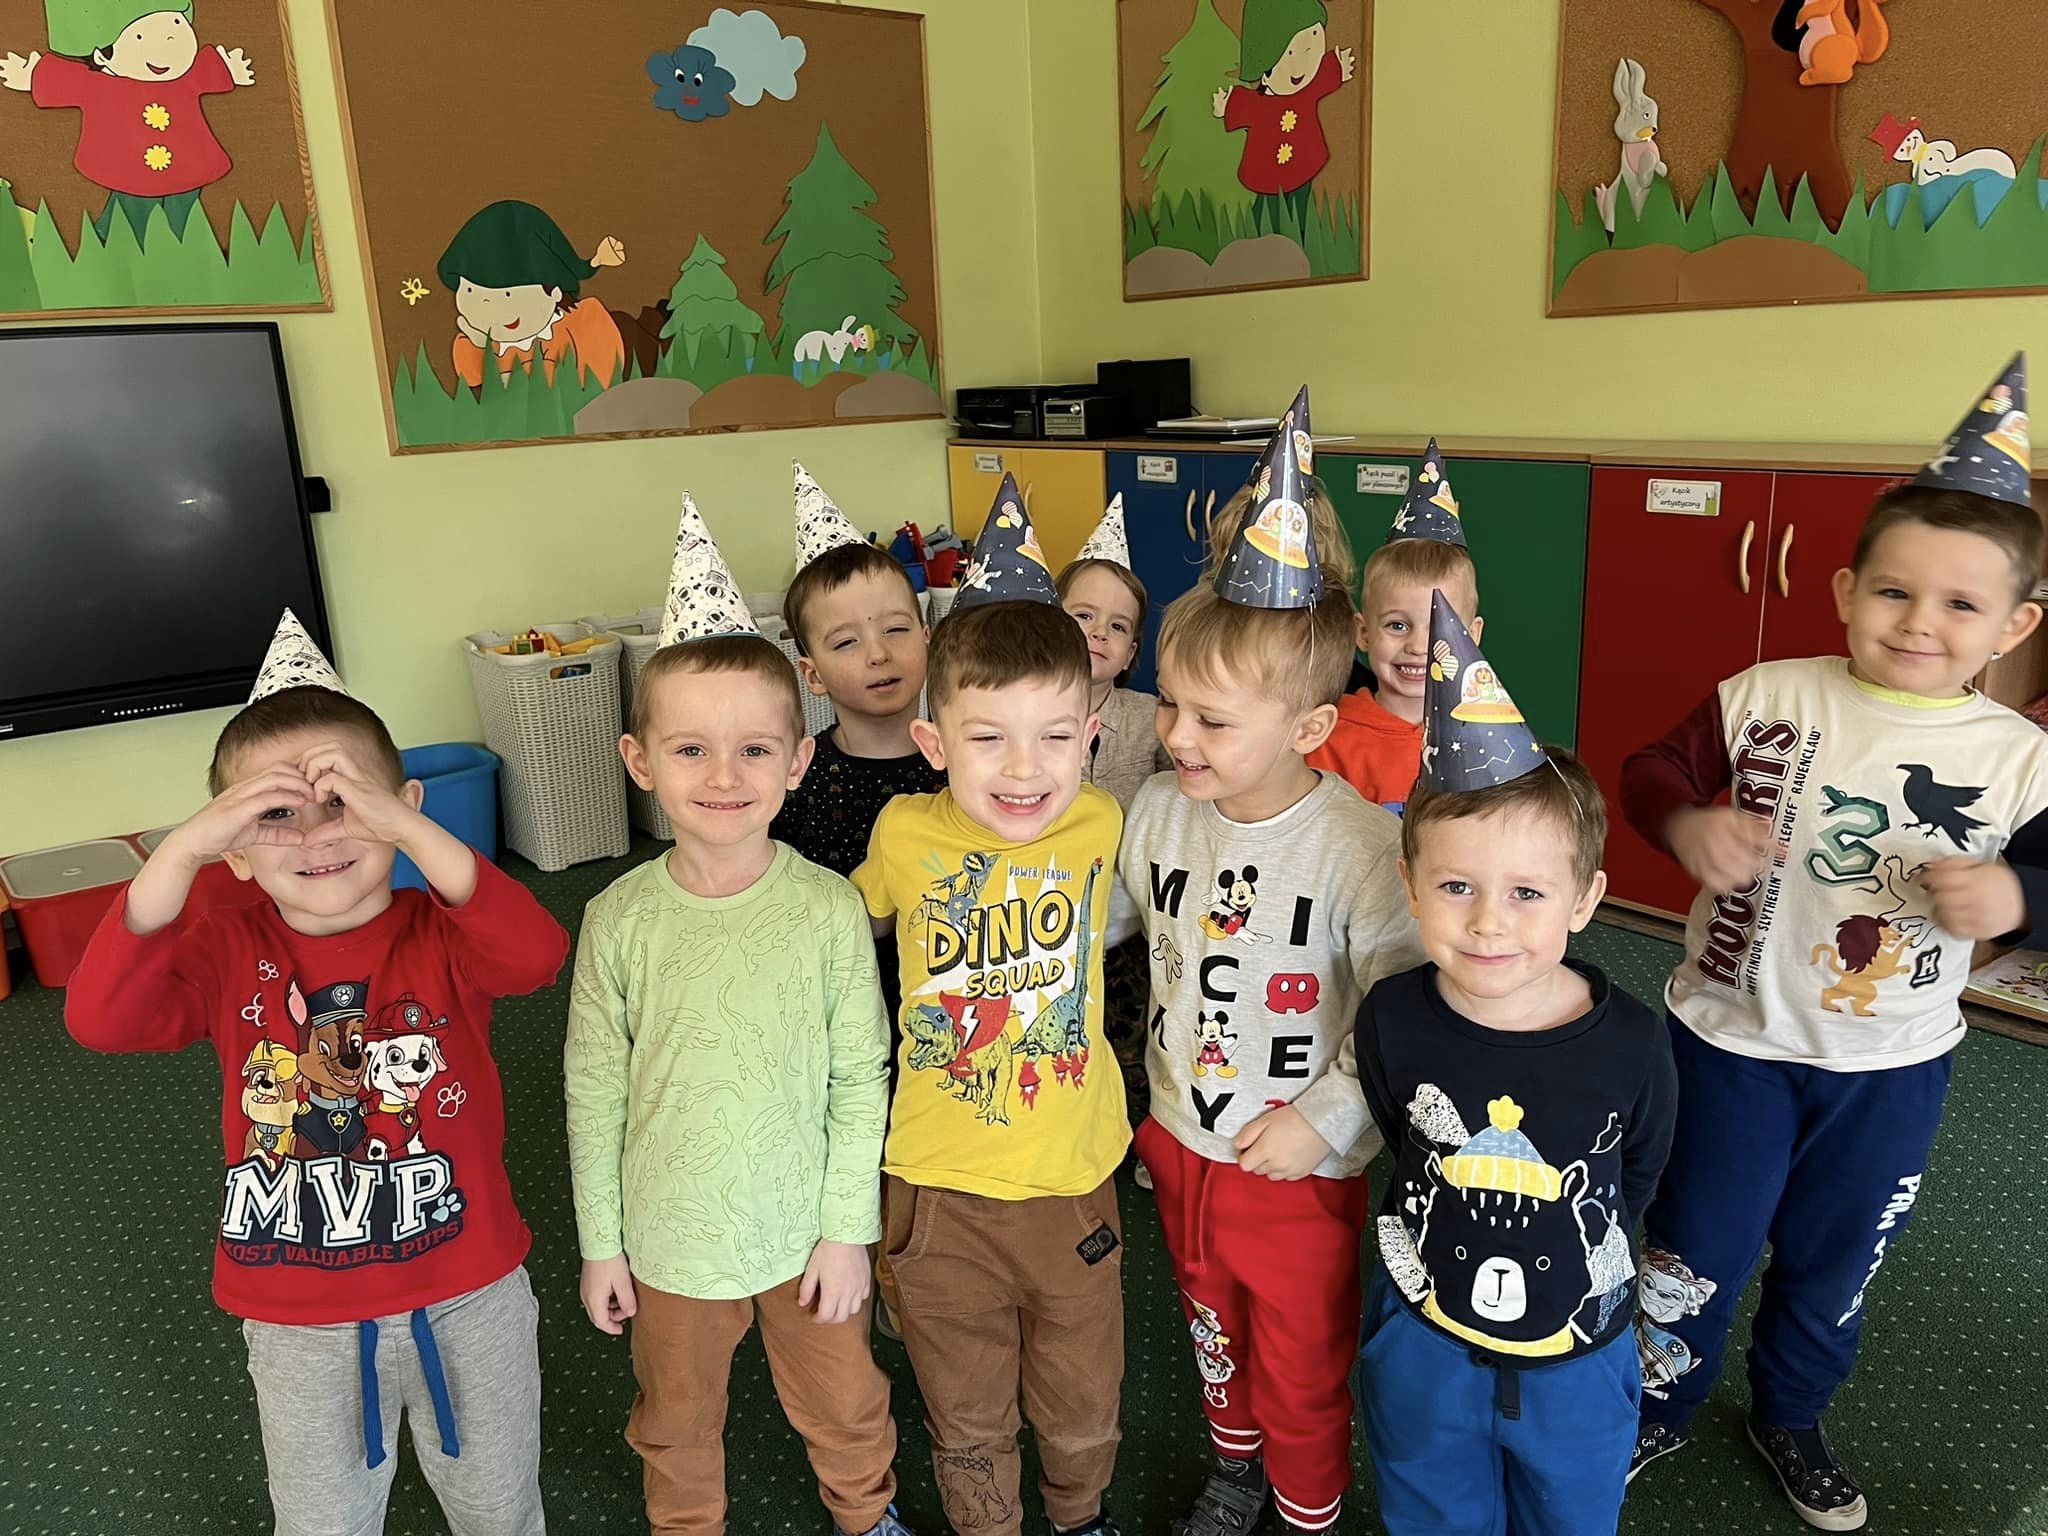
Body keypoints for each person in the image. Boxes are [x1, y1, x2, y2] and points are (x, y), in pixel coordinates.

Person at [1619, 355, 2048, 1531]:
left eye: (1958, 606)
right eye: (1893, 592)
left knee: (1832, 1261)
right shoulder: (1766, 693)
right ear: (1845, 588)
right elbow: (1650, 770)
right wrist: (1686, 823)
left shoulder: (2020, 759)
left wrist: (2014, 898)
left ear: (2013, 624)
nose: (1918, 623)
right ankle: (1658, 1399)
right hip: (1726, 1044)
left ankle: (1791, 1414)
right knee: (1692, 1247)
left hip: (1890, 1068)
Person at [65, 608, 568, 1536]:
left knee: (500, 1509)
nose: (315, 836)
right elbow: (101, 1020)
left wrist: (409, 830)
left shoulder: (444, 935)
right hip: (297, 1312)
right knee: (322, 1522)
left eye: (343, 802)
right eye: (275, 816)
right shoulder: (223, 949)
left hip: (469, 1290)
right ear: (234, 850)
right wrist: (178, 851)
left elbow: (536, 954)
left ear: (401, 808)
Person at [565, 496, 911, 1536]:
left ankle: (867, 1515)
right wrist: (602, 1244)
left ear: (798, 761)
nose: (724, 778)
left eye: (756, 750)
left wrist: (848, 1232)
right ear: (640, 761)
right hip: (668, 1240)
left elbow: (860, 1078)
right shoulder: (616, 919)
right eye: (690, 751)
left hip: (806, 1231)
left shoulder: (829, 907)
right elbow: (593, 1091)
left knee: (845, 1403)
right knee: (674, 1419)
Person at [1121, 390, 1423, 1536]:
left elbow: (1400, 1008)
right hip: (1178, 1134)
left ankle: (1305, 1509)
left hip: (1295, 1161)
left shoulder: (1356, 846)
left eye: (1210, 721)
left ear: (1305, 730)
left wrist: (1326, 1121)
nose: (1175, 736)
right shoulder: (1157, 809)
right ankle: (1234, 1464)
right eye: (1169, 705)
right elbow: (1107, 921)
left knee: (1299, 1356)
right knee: (1210, 1329)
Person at [1356, 593, 1676, 1536]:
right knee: (1428, 1503)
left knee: (1571, 1513)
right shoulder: (1393, 1016)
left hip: (1580, 1363)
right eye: (1456, 886)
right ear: (1411, 885)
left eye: (1528, 892)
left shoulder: (1631, 1042)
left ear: (1585, 899)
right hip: (1425, 1351)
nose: (1489, 922)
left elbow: (1636, 1173)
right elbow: (1401, 1136)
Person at [852, 476, 1129, 1536]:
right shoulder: (902, 835)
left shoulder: (1103, 823)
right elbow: (838, 927)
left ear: (1090, 734)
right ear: (933, 744)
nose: (1025, 771)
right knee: (965, 1410)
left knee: (1081, 1394)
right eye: (987, 739)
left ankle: (1079, 1516)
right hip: (938, 1188)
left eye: (1055, 737)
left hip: (1072, 1178)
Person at [1059, 493, 1171, 1145]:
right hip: (1045, 926)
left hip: (1127, 928)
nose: (1098, 633)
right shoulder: (1021, 711)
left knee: (1130, 1045)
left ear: (1130, 653)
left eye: (1118, 626)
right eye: (1082, 616)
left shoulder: (1150, 716)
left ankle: (1134, 1142)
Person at [773, 460, 943, 880]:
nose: (878, 654)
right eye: (846, 642)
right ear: (813, 675)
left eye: (896, 629)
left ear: (927, 640)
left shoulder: (966, 755)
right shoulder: (795, 778)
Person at [1311, 438, 1481, 816]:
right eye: (1398, 625)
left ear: (1473, 636)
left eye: (1440, 627)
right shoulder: (1326, 736)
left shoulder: (1488, 734)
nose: (1419, 646)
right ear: (1362, 633)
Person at [0, 0, 253, 242]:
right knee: (131, 208)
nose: (166, 45)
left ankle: (186, 244)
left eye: (176, 25)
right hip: (128, 167)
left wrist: (230, 68)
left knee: (184, 209)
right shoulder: (98, 84)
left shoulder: (186, 78)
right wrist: (32, 75)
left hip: (187, 162)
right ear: (102, 56)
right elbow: (66, 81)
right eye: (140, 37)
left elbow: (208, 71)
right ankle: (112, 241)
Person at [437, 198, 627, 390]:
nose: (488, 306)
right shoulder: (479, 341)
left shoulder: (584, 323)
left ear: (554, 292)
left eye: (508, 295)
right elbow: (471, 379)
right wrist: (479, 346)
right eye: (470, 291)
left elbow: (603, 380)